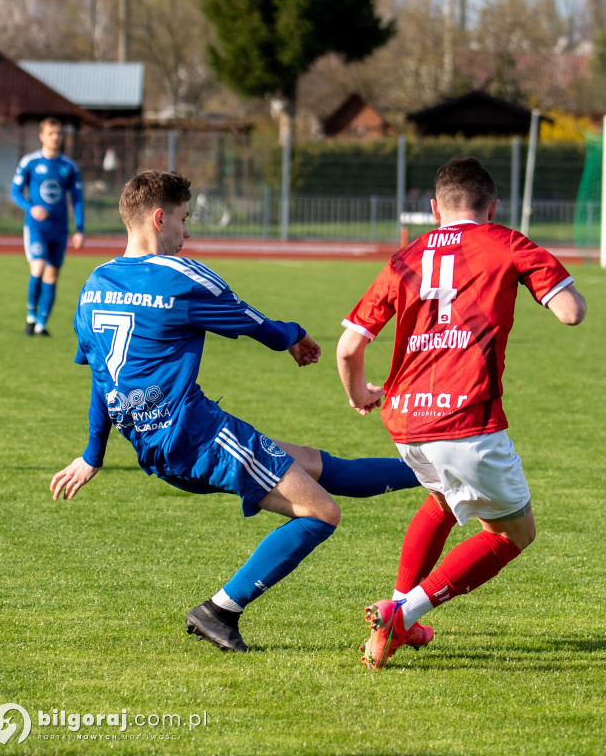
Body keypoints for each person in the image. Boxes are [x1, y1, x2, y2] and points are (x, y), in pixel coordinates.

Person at [50, 169, 421, 652]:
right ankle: (220, 610)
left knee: (310, 463)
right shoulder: (183, 276)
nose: (188, 232)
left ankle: (428, 471)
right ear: (159, 218)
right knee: (321, 513)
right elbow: (253, 323)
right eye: (184, 219)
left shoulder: (94, 285)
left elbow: (102, 380)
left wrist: (92, 454)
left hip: (152, 444)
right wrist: (294, 336)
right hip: (197, 435)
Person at [336, 157, 587, 669]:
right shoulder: (507, 242)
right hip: (467, 420)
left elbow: (346, 348)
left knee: (442, 501)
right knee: (514, 534)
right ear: (493, 208)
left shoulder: (406, 256)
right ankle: (404, 613)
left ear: (434, 209)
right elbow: (571, 313)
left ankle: (394, 616)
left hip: (405, 419)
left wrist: (361, 392)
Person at [11, 117, 85, 336]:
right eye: (51, 133)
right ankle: (31, 317)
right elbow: (15, 192)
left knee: (52, 275)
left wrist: (79, 229)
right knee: (38, 267)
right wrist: (30, 207)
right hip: (36, 228)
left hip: (59, 229)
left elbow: (78, 199)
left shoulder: (68, 166)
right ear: (42, 136)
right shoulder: (30, 162)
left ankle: (42, 325)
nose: (56, 137)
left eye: (59, 133)